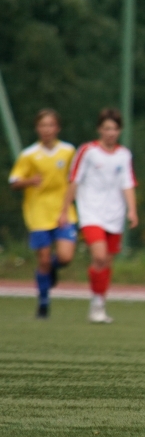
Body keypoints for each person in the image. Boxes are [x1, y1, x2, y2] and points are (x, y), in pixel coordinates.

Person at [59, 108, 138, 324]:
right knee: (100, 256)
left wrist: (132, 210)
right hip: (91, 212)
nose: (110, 133)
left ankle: (98, 303)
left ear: (120, 131)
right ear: (99, 129)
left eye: (114, 128)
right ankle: (96, 303)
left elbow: (128, 184)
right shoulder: (88, 151)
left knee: (106, 262)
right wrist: (64, 210)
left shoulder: (124, 154)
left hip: (114, 214)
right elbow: (74, 180)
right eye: (106, 128)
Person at [8, 109, 78, 319]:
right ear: (37, 128)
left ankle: (50, 271)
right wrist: (29, 181)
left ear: (57, 127)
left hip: (64, 211)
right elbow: (14, 181)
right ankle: (43, 303)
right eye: (42, 125)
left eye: (50, 125)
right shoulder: (29, 155)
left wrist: (66, 209)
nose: (47, 129)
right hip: (38, 213)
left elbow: (74, 179)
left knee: (65, 257)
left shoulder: (67, 151)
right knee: (44, 260)